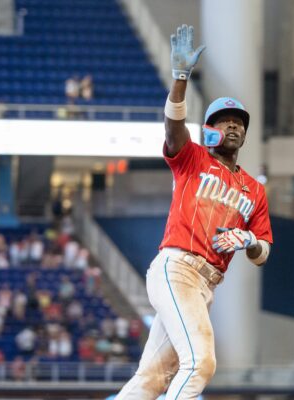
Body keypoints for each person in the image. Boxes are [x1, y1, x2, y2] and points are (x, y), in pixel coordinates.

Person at [114, 25, 272, 399]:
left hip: (206, 284)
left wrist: (249, 241)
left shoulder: (255, 189)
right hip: (178, 268)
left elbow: (263, 251)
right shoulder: (193, 158)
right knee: (201, 362)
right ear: (210, 129)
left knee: (153, 378)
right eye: (224, 120)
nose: (233, 124)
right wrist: (181, 78)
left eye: (239, 121)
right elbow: (172, 130)